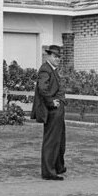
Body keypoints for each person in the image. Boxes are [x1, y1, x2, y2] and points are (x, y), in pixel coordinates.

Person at [31, 45, 67, 181]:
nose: (58, 59)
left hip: (58, 111)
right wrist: (52, 102)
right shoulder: (46, 69)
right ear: (48, 56)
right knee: (51, 141)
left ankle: (58, 167)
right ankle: (48, 172)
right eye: (55, 56)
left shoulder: (53, 69)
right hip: (52, 111)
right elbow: (42, 88)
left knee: (60, 140)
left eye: (59, 57)